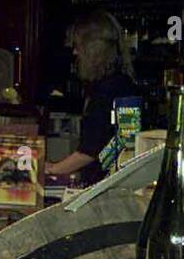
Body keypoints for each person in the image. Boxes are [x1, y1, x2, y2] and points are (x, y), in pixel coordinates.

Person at [46, 10, 138, 185]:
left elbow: (90, 150)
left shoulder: (106, 90)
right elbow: (123, 139)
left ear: (92, 49)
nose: (74, 52)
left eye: (78, 46)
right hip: (118, 179)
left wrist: (52, 169)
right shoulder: (123, 84)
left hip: (105, 185)